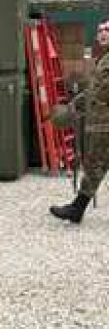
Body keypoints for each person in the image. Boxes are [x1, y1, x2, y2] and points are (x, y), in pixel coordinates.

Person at [50, 19, 109, 223]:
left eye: (107, 30)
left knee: (95, 165)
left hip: (104, 124)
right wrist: (75, 104)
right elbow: (95, 90)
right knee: (95, 164)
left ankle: (77, 209)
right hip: (100, 123)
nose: (102, 33)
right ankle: (77, 209)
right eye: (100, 30)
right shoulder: (103, 59)